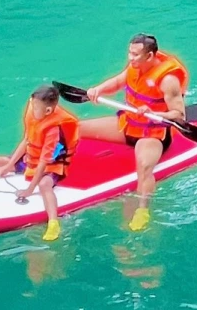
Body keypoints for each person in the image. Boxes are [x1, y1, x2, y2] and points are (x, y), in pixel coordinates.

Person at [80, 34, 188, 232]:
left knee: (145, 166)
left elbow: (179, 115)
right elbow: (118, 82)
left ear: (149, 56)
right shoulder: (135, 66)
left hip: (152, 134)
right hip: (128, 125)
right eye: (130, 53)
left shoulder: (168, 80)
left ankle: (143, 210)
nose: (131, 58)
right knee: (75, 128)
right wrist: (98, 90)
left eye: (136, 55)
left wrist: (153, 112)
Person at [0, 85, 79, 242]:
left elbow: (44, 162)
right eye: (33, 103)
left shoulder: (53, 130)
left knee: (44, 185)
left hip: (51, 167)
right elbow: (27, 139)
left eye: (36, 107)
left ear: (48, 111)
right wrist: (10, 165)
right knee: (1, 161)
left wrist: (30, 189)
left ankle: (53, 223)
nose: (32, 108)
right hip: (31, 159)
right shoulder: (34, 114)